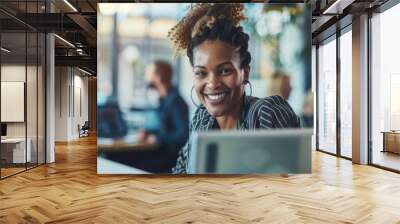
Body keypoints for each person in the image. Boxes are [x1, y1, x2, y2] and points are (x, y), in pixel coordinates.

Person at [167, 3, 300, 174]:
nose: (212, 83)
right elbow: (181, 172)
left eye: (224, 70)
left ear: (244, 73)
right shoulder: (202, 119)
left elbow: (287, 188)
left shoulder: (266, 114)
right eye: (201, 73)